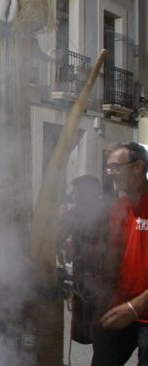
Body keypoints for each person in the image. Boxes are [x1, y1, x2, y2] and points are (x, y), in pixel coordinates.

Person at [91, 142, 148, 366]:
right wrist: (100, 306)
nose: (110, 173)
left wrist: (135, 307)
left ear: (138, 167)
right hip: (119, 310)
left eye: (115, 166)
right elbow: (114, 258)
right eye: (108, 168)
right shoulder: (118, 207)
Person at [57, 175, 111, 345]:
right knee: (94, 331)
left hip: (104, 279)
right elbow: (56, 238)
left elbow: (55, 238)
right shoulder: (75, 214)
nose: (75, 196)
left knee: (101, 330)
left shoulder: (109, 213)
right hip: (84, 278)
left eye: (78, 193)